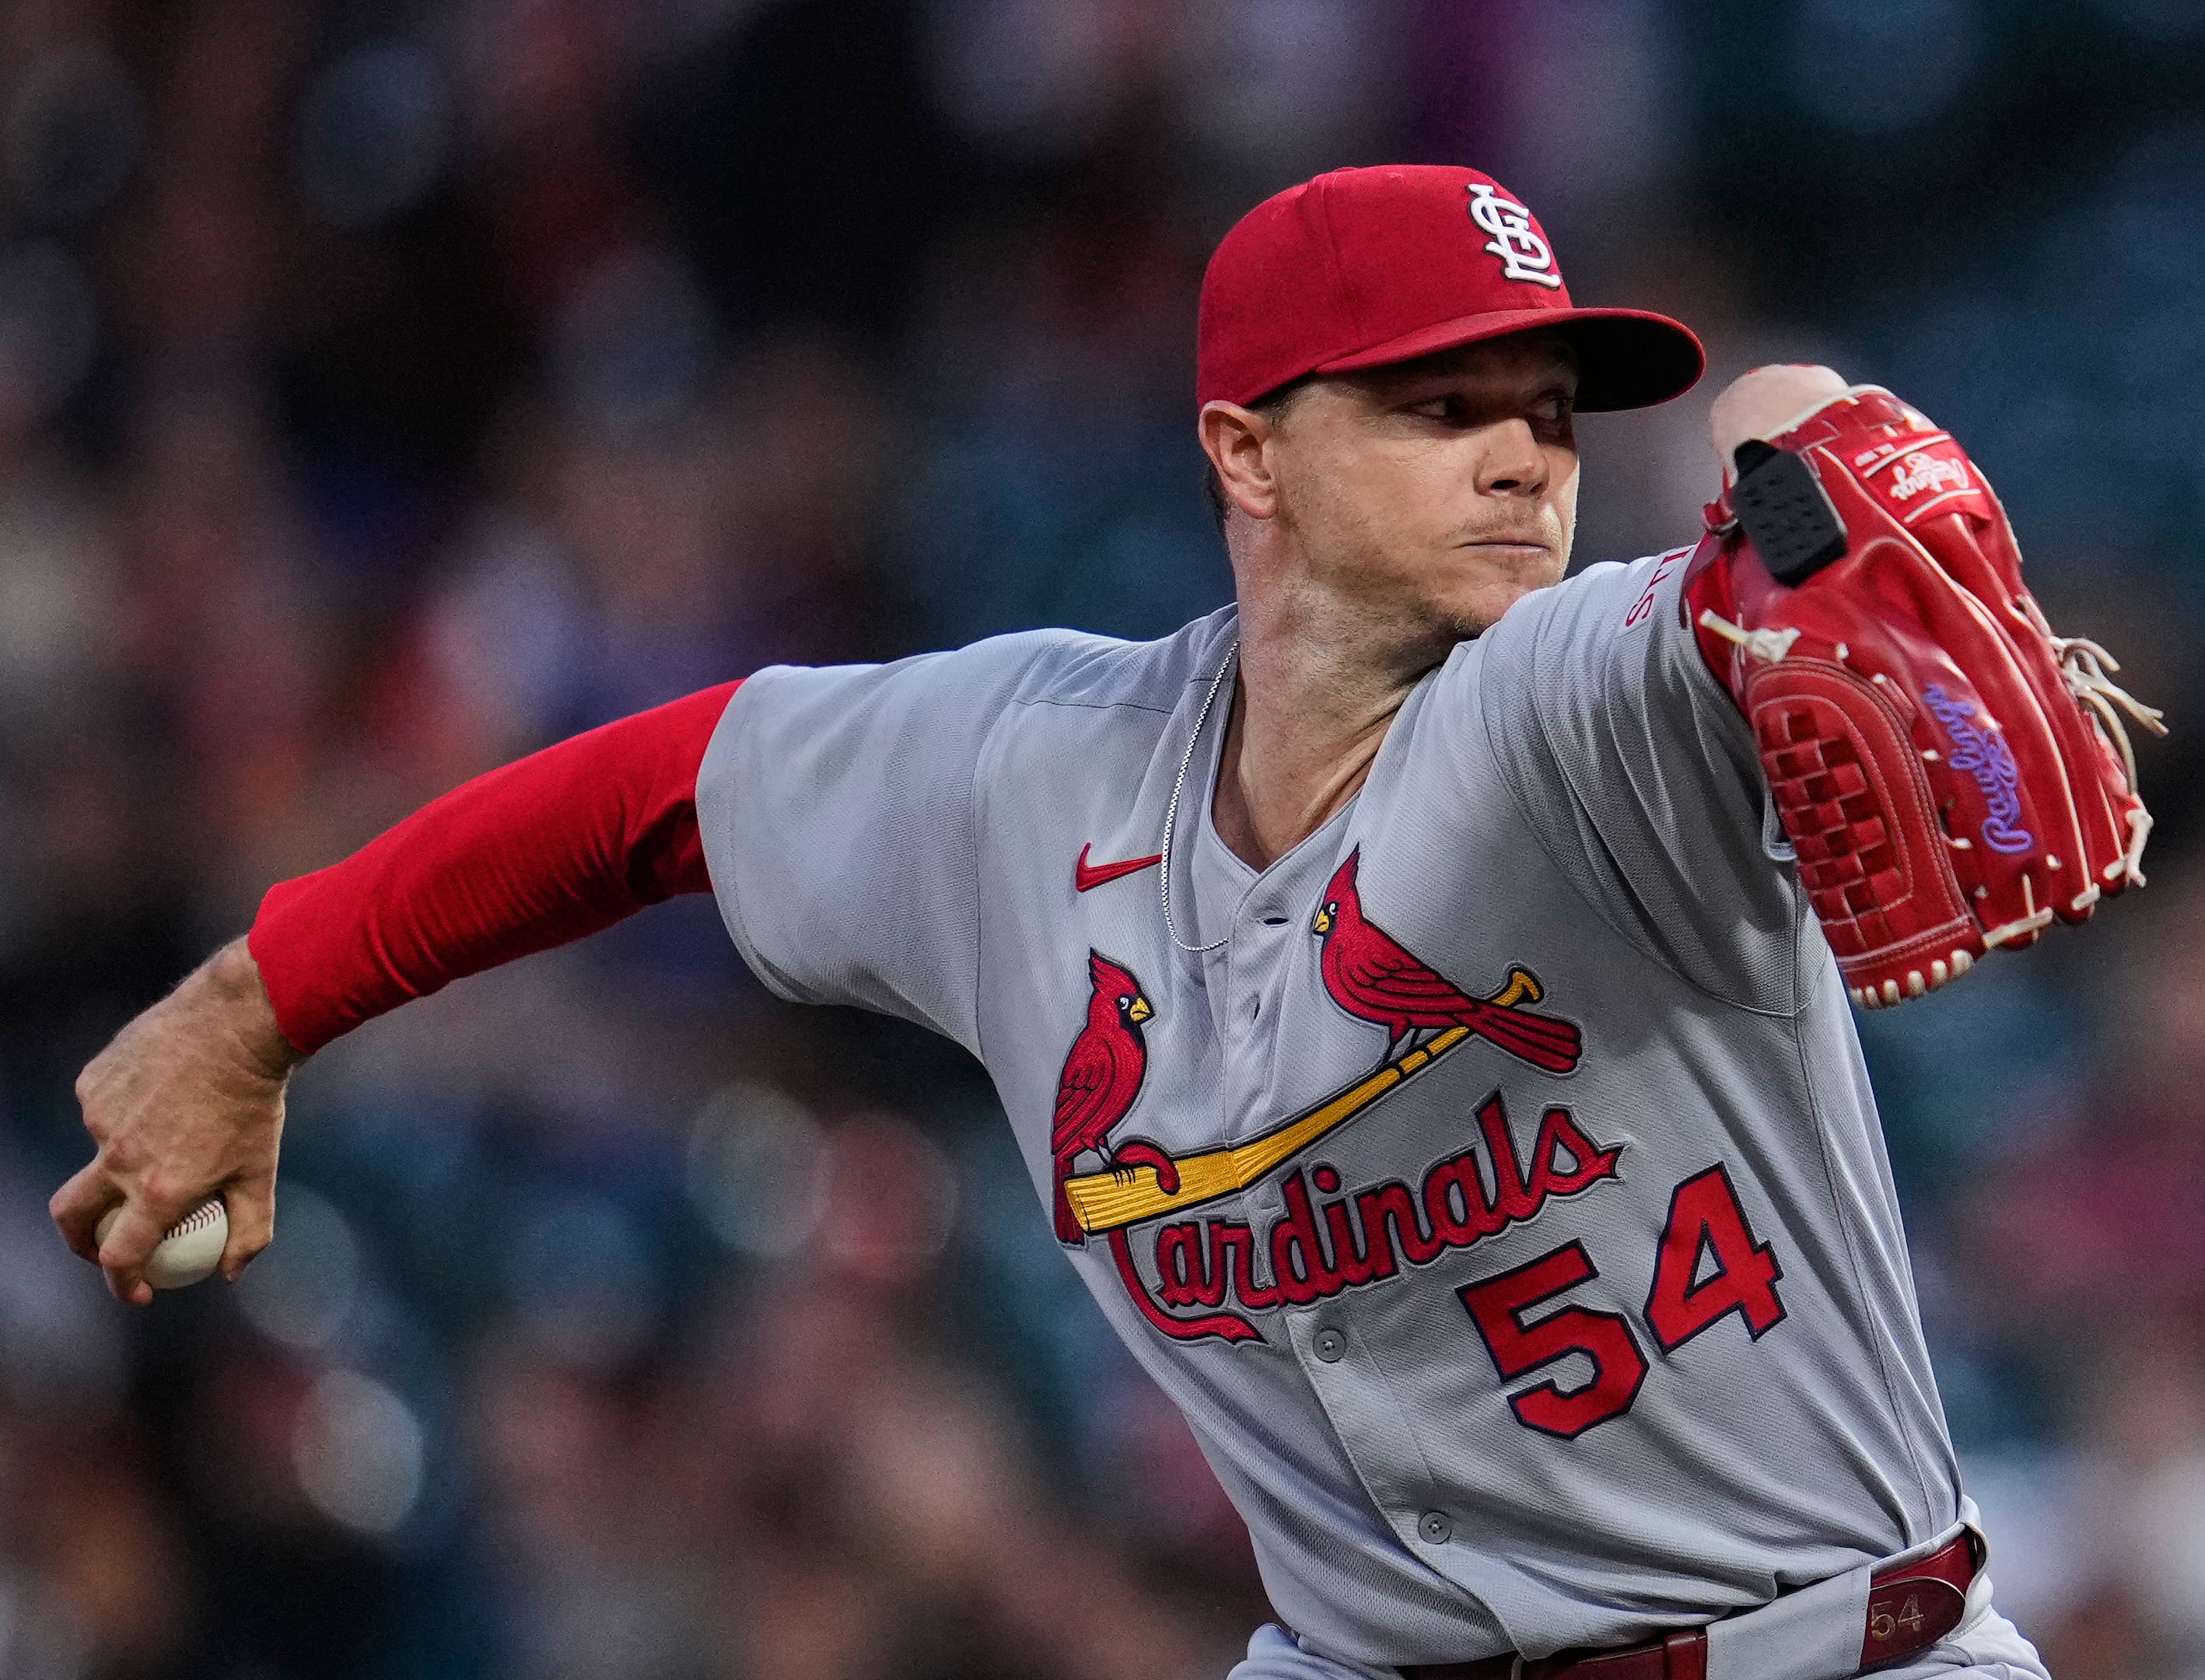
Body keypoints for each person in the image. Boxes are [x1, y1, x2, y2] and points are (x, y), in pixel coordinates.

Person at [55, 166, 2078, 1680]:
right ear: (1245, 450)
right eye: (1439, 404)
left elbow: (1785, 464)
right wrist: (258, 1005)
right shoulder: (1027, 774)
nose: (1522, 462)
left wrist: (1809, 451)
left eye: (1546, 409)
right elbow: (652, 795)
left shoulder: (1585, 695)